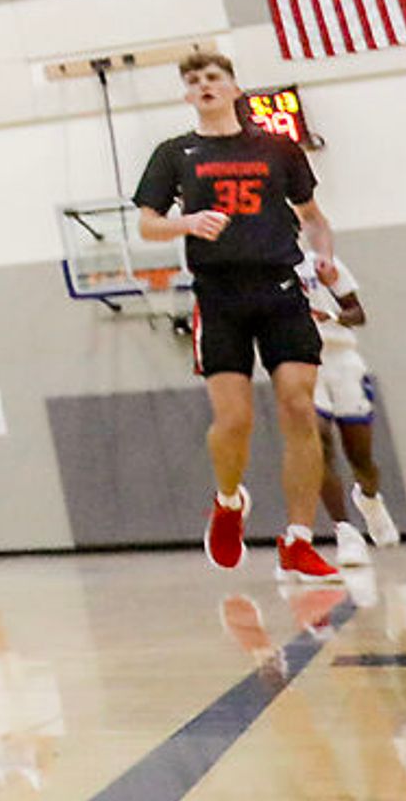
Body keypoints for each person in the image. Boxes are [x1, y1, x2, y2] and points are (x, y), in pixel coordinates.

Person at [135, 48, 345, 582]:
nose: (203, 84)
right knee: (234, 421)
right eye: (194, 80)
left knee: (299, 406)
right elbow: (147, 225)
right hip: (219, 295)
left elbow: (314, 218)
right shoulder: (174, 153)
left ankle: (298, 539)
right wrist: (188, 223)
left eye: (213, 76)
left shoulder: (278, 149)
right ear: (187, 95)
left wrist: (324, 256)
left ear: (232, 87)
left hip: (280, 288)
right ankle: (228, 501)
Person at [301, 248, 398, 550]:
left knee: (360, 456)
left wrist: (331, 316)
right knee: (318, 440)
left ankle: (369, 500)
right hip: (302, 359)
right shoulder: (259, 270)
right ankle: (345, 530)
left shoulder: (319, 262)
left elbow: (359, 313)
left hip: (342, 357)